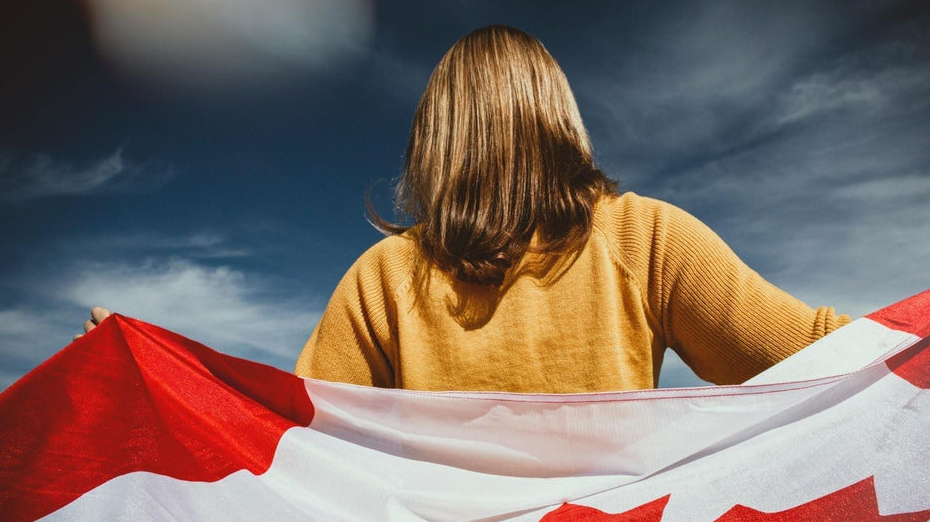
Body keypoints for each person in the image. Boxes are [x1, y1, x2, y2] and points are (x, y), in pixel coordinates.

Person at [82, 25, 849, 392]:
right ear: (560, 120)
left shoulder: (384, 276)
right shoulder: (646, 237)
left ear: (436, 139)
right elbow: (814, 352)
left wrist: (155, 382)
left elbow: (292, 438)